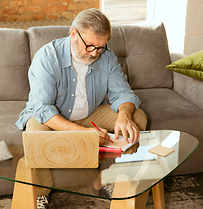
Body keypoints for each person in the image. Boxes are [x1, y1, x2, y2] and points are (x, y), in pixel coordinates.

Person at [15, 8, 147, 144]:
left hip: (90, 114)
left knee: (138, 118)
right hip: (51, 118)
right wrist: (83, 133)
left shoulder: (107, 57)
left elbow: (123, 93)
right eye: (90, 46)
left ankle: (112, 161)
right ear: (74, 34)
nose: (95, 54)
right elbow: (42, 108)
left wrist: (124, 116)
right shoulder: (47, 57)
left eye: (100, 47)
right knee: (37, 139)